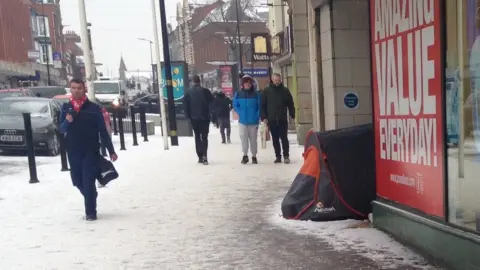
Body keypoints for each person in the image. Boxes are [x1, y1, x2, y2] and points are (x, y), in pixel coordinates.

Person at [59, 78, 117, 221]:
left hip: (90, 150)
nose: (76, 90)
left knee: (88, 179)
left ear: (84, 89)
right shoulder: (66, 108)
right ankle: (91, 195)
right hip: (73, 150)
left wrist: (111, 150)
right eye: (73, 88)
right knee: (77, 180)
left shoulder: (93, 108)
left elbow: (102, 131)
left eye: (79, 88)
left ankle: (91, 213)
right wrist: (67, 121)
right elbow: (61, 129)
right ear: (70, 90)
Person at [261, 73, 295, 164]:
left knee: (284, 138)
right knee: (275, 139)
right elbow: (263, 105)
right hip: (271, 119)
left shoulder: (285, 90)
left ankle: (286, 155)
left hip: (282, 118)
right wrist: (264, 117)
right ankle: (278, 156)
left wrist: (292, 114)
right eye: (275, 80)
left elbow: (290, 104)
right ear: (272, 80)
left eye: (278, 80)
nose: (277, 82)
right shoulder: (267, 91)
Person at [184, 75, 214, 165]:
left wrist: (188, 116)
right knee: (204, 137)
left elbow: (185, 105)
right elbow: (212, 102)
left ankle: (200, 156)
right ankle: (205, 156)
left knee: (197, 136)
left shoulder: (188, 92)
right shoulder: (206, 91)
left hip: (194, 118)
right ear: (200, 81)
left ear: (192, 82)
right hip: (205, 118)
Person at [233, 74, 261, 164]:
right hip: (243, 121)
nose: (247, 85)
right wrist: (239, 112)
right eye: (246, 83)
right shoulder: (238, 94)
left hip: (253, 121)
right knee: (243, 138)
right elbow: (235, 104)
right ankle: (245, 155)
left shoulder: (256, 94)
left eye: (249, 83)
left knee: (253, 139)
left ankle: (254, 156)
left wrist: (257, 115)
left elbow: (259, 107)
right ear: (243, 84)